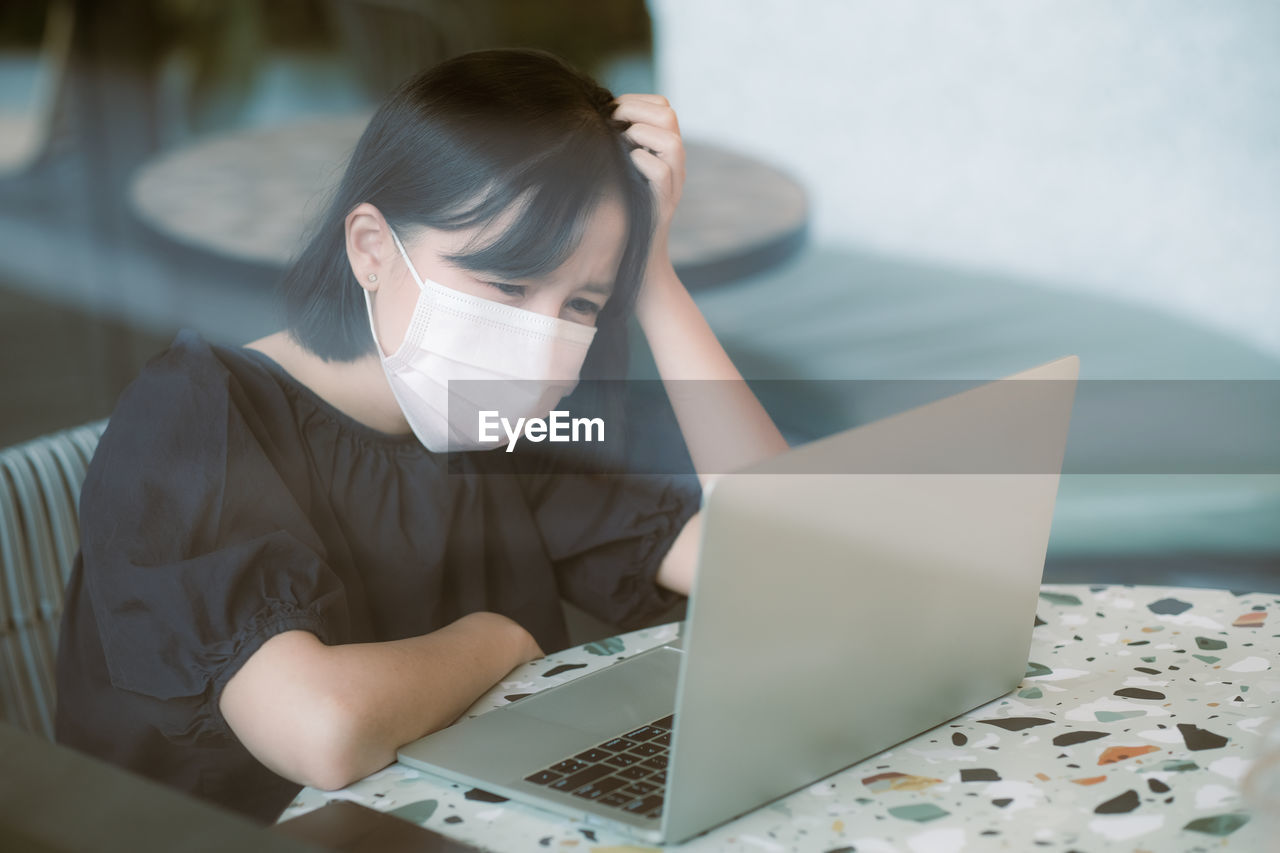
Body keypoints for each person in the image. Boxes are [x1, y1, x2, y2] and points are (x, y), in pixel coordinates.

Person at [54, 48, 788, 824]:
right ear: (372, 247)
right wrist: (496, 639)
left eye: (581, 304)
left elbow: (783, 562)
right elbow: (324, 730)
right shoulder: (192, 417)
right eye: (507, 284)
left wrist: (655, 281)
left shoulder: (493, 423)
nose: (540, 343)